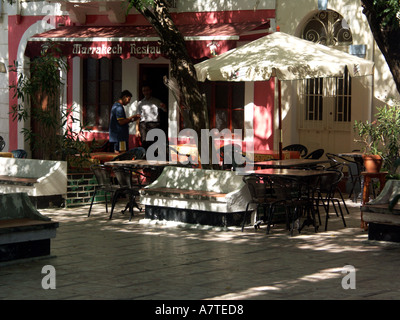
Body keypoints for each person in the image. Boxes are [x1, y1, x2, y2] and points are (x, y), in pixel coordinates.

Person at [135, 84, 167, 150]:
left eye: (147, 90)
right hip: (143, 124)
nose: (145, 92)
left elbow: (165, 110)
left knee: (153, 141)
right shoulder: (140, 103)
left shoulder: (156, 101)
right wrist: (137, 129)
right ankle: (145, 157)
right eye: (144, 91)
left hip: (154, 124)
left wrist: (164, 107)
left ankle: (153, 157)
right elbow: (138, 116)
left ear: (150, 91)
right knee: (144, 141)